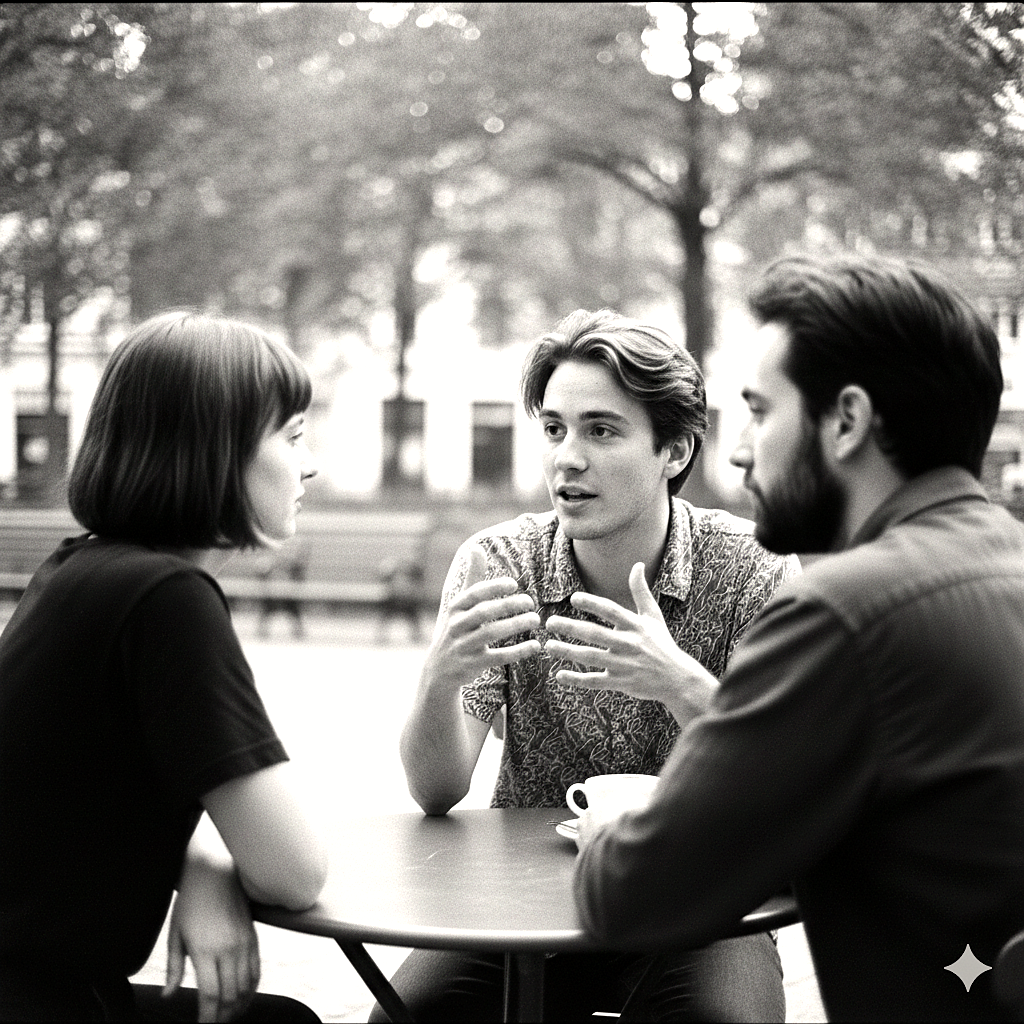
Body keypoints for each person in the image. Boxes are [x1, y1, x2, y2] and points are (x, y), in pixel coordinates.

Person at [572, 254, 1024, 1022]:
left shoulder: (843, 615)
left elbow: (629, 898)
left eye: (759, 412)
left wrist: (611, 827)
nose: (741, 450)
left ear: (845, 421)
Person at [377, 309, 799, 1022]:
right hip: (524, 901)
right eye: (554, 429)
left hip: (704, 902)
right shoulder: (499, 563)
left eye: (601, 430)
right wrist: (439, 679)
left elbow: (789, 786)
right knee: (407, 1014)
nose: (567, 457)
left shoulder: (752, 570)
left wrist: (682, 684)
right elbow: (438, 790)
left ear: (674, 450)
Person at [0, 312, 329, 1022]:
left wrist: (203, 860)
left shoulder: (80, 568)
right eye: (293, 436)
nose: (309, 464)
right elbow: (296, 872)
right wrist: (212, 858)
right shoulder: (166, 600)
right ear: (217, 450)